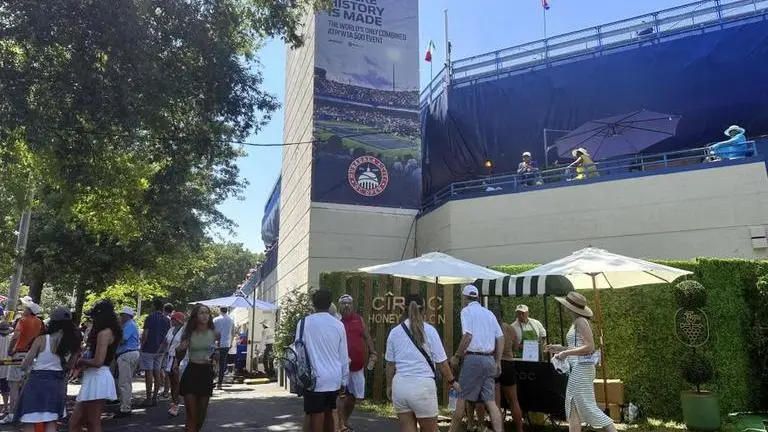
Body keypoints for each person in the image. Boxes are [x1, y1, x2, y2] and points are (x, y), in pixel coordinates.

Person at [385, 293, 459, 432]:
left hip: (400, 387)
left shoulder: (394, 332)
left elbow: (390, 365)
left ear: (404, 309)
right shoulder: (430, 331)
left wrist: (389, 386)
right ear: (424, 309)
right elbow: (442, 364)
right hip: (423, 388)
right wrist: (452, 382)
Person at [547, 292, 617, 432]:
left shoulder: (580, 321)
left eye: (565, 305)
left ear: (570, 307)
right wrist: (560, 348)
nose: (563, 307)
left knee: (586, 405)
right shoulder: (577, 322)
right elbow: (578, 346)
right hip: (579, 367)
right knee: (573, 404)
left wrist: (565, 353)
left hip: (582, 369)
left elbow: (589, 347)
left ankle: (611, 428)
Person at [15, 307, 81, 432]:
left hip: (36, 383)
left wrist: (22, 366)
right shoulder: (73, 343)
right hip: (57, 383)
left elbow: (26, 363)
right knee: (51, 420)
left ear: (53, 322)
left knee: (30, 419)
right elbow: (69, 366)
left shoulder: (42, 339)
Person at [449, 285, 504, 432]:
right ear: (478, 297)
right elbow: (500, 337)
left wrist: (457, 356)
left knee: (461, 398)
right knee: (491, 403)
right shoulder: (489, 313)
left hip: (473, 359)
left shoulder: (466, 311)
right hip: (489, 360)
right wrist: (498, 361)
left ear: (465, 298)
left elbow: (468, 335)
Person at [69, 300, 122, 432]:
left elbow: (98, 361)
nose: (92, 319)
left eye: (93, 316)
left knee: (92, 422)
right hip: (94, 377)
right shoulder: (108, 332)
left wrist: (81, 361)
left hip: (98, 377)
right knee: (76, 423)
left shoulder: (104, 333)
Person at [301, 290, 349, 432]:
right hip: (334, 378)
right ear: (330, 304)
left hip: (314, 379)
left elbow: (299, 351)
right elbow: (343, 355)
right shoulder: (338, 325)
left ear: (313, 304)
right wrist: (344, 380)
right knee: (330, 414)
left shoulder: (304, 323)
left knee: (316, 416)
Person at [176, 304, 220, 432]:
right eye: (201, 313)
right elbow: (179, 356)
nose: (205, 315)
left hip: (206, 374)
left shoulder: (215, 333)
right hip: (191, 372)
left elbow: (217, 354)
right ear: (195, 316)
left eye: (207, 312)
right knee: (192, 414)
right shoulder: (188, 333)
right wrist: (180, 349)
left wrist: (215, 358)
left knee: (201, 416)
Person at [336, 295, 376, 432]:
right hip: (341, 366)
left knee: (354, 396)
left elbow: (367, 336)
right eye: (343, 303)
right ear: (339, 306)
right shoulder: (336, 321)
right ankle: (340, 425)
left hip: (357, 366)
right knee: (341, 395)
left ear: (353, 305)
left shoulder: (359, 319)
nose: (346, 306)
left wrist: (373, 352)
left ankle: (344, 421)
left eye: (349, 303)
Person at [2, 298, 44, 424]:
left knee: (14, 385)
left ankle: (12, 414)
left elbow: (16, 335)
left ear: (29, 310)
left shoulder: (22, 320)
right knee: (26, 384)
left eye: (25, 308)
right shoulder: (40, 322)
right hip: (32, 355)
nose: (23, 309)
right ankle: (24, 413)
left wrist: (10, 349)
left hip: (19, 353)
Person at [140, 299, 171, 407]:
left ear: (154, 306)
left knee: (148, 373)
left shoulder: (150, 317)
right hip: (160, 350)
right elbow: (168, 335)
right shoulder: (166, 320)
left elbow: (145, 333)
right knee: (157, 372)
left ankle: (148, 398)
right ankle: (154, 397)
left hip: (149, 348)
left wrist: (141, 346)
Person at [113, 307, 140, 418]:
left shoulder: (129, 325)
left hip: (127, 354)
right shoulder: (130, 324)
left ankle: (125, 408)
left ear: (126, 316)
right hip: (129, 353)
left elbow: (123, 339)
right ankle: (124, 405)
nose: (120, 317)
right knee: (125, 381)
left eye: (121, 315)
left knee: (124, 382)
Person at [161, 312, 185, 417]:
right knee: (172, 381)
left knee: (176, 381)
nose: (171, 320)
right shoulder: (171, 330)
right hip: (170, 357)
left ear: (178, 320)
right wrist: (160, 352)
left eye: (173, 319)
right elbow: (165, 342)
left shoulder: (184, 331)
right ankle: (174, 401)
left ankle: (176, 404)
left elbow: (184, 346)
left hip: (179, 358)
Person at [213, 307, 235, 390]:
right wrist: (231, 343)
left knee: (213, 362)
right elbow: (233, 333)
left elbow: (212, 332)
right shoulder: (231, 320)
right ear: (227, 311)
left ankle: (213, 380)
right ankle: (219, 384)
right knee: (222, 363)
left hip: (216, 344)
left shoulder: (215, 320)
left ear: (220, 311)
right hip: (226, 344)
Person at [161, 303, 175, 398]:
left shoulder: (165, 319)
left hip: (167, 351)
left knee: (166, 370)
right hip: (168, 350)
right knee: (166, 370)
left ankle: (166, 390)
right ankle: (166, 390)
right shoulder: (170, 322)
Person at [0, 315, 12, 418]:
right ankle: (6, 407)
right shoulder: (11, 338)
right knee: (6, 390)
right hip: (7, 367)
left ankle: (5, 408)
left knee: (5, 389)